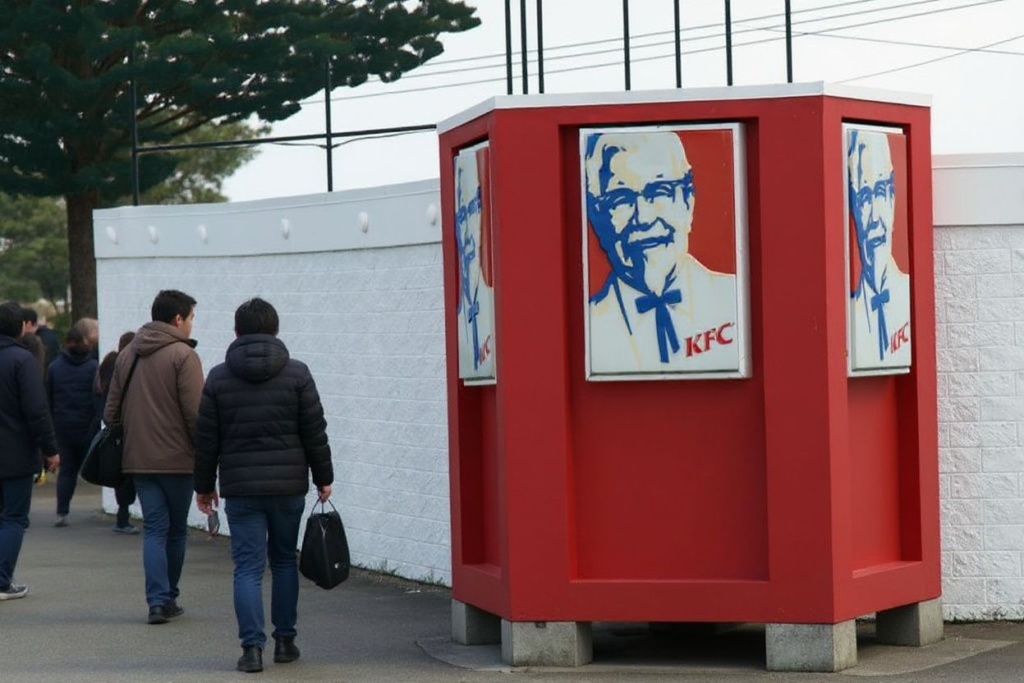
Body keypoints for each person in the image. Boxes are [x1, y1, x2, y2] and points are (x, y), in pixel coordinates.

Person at [194, 298, 333, 673]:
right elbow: (314, 432)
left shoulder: (219, 378)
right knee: (285, 560)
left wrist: (204, 487)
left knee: (248, 568)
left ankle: (251, 650)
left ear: (236, 331)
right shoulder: (298, 374)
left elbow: (206, 440)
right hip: (288, 486)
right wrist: (324, 477)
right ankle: (285, 642)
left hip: (241, 489)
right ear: (275, 330)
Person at [583, 130, 738, 374]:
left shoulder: (735, 302)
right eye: (620, 200)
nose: (643, 218)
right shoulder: (586, 326)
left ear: (688, 203)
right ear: (596, 218)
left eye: (659, 192)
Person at [104, 290, 204, 624]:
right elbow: (195, 414)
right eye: (191, 317)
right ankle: (169, 597)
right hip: (178, 460)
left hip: (137, 458)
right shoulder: (183, 355)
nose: (191, 324)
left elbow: (111, 412)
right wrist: (204, 455)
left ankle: (156, 601)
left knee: (154, 529)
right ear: (178, 319)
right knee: (175, 531)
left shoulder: (128, 353)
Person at [0, 301, 60, 600]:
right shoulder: (21, 361)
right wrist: (50, 449)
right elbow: (36, 410)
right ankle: (1, 581)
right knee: (13, 518)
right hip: (15, 454)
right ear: (21, 327)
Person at [846, 128, 911, 370]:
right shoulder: (849, 313)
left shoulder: (909, 294)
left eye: (881, 192)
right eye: (864, 198)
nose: (874, 217)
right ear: (853, 210)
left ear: (893, 200)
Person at [47, 324, 99, 527]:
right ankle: (117, 508)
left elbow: (49, 398)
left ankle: (62, 512)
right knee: (93, 466)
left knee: (67, 471)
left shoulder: (54, 367)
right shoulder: (93, 367)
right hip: (86, 426)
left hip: (62, 426)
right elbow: (96, 399)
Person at [454, 146, 496, 380]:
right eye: (462, 216)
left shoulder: (490, 297)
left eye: (472, 211)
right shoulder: (462, 313)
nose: (468, 227)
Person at [95, 330, 139, 534]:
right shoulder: (128, 365)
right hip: (127, 427)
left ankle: (123, 517)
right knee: (130, 475)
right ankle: (124, 519)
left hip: (113, 427)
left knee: (119, 473)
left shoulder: (109, 363)